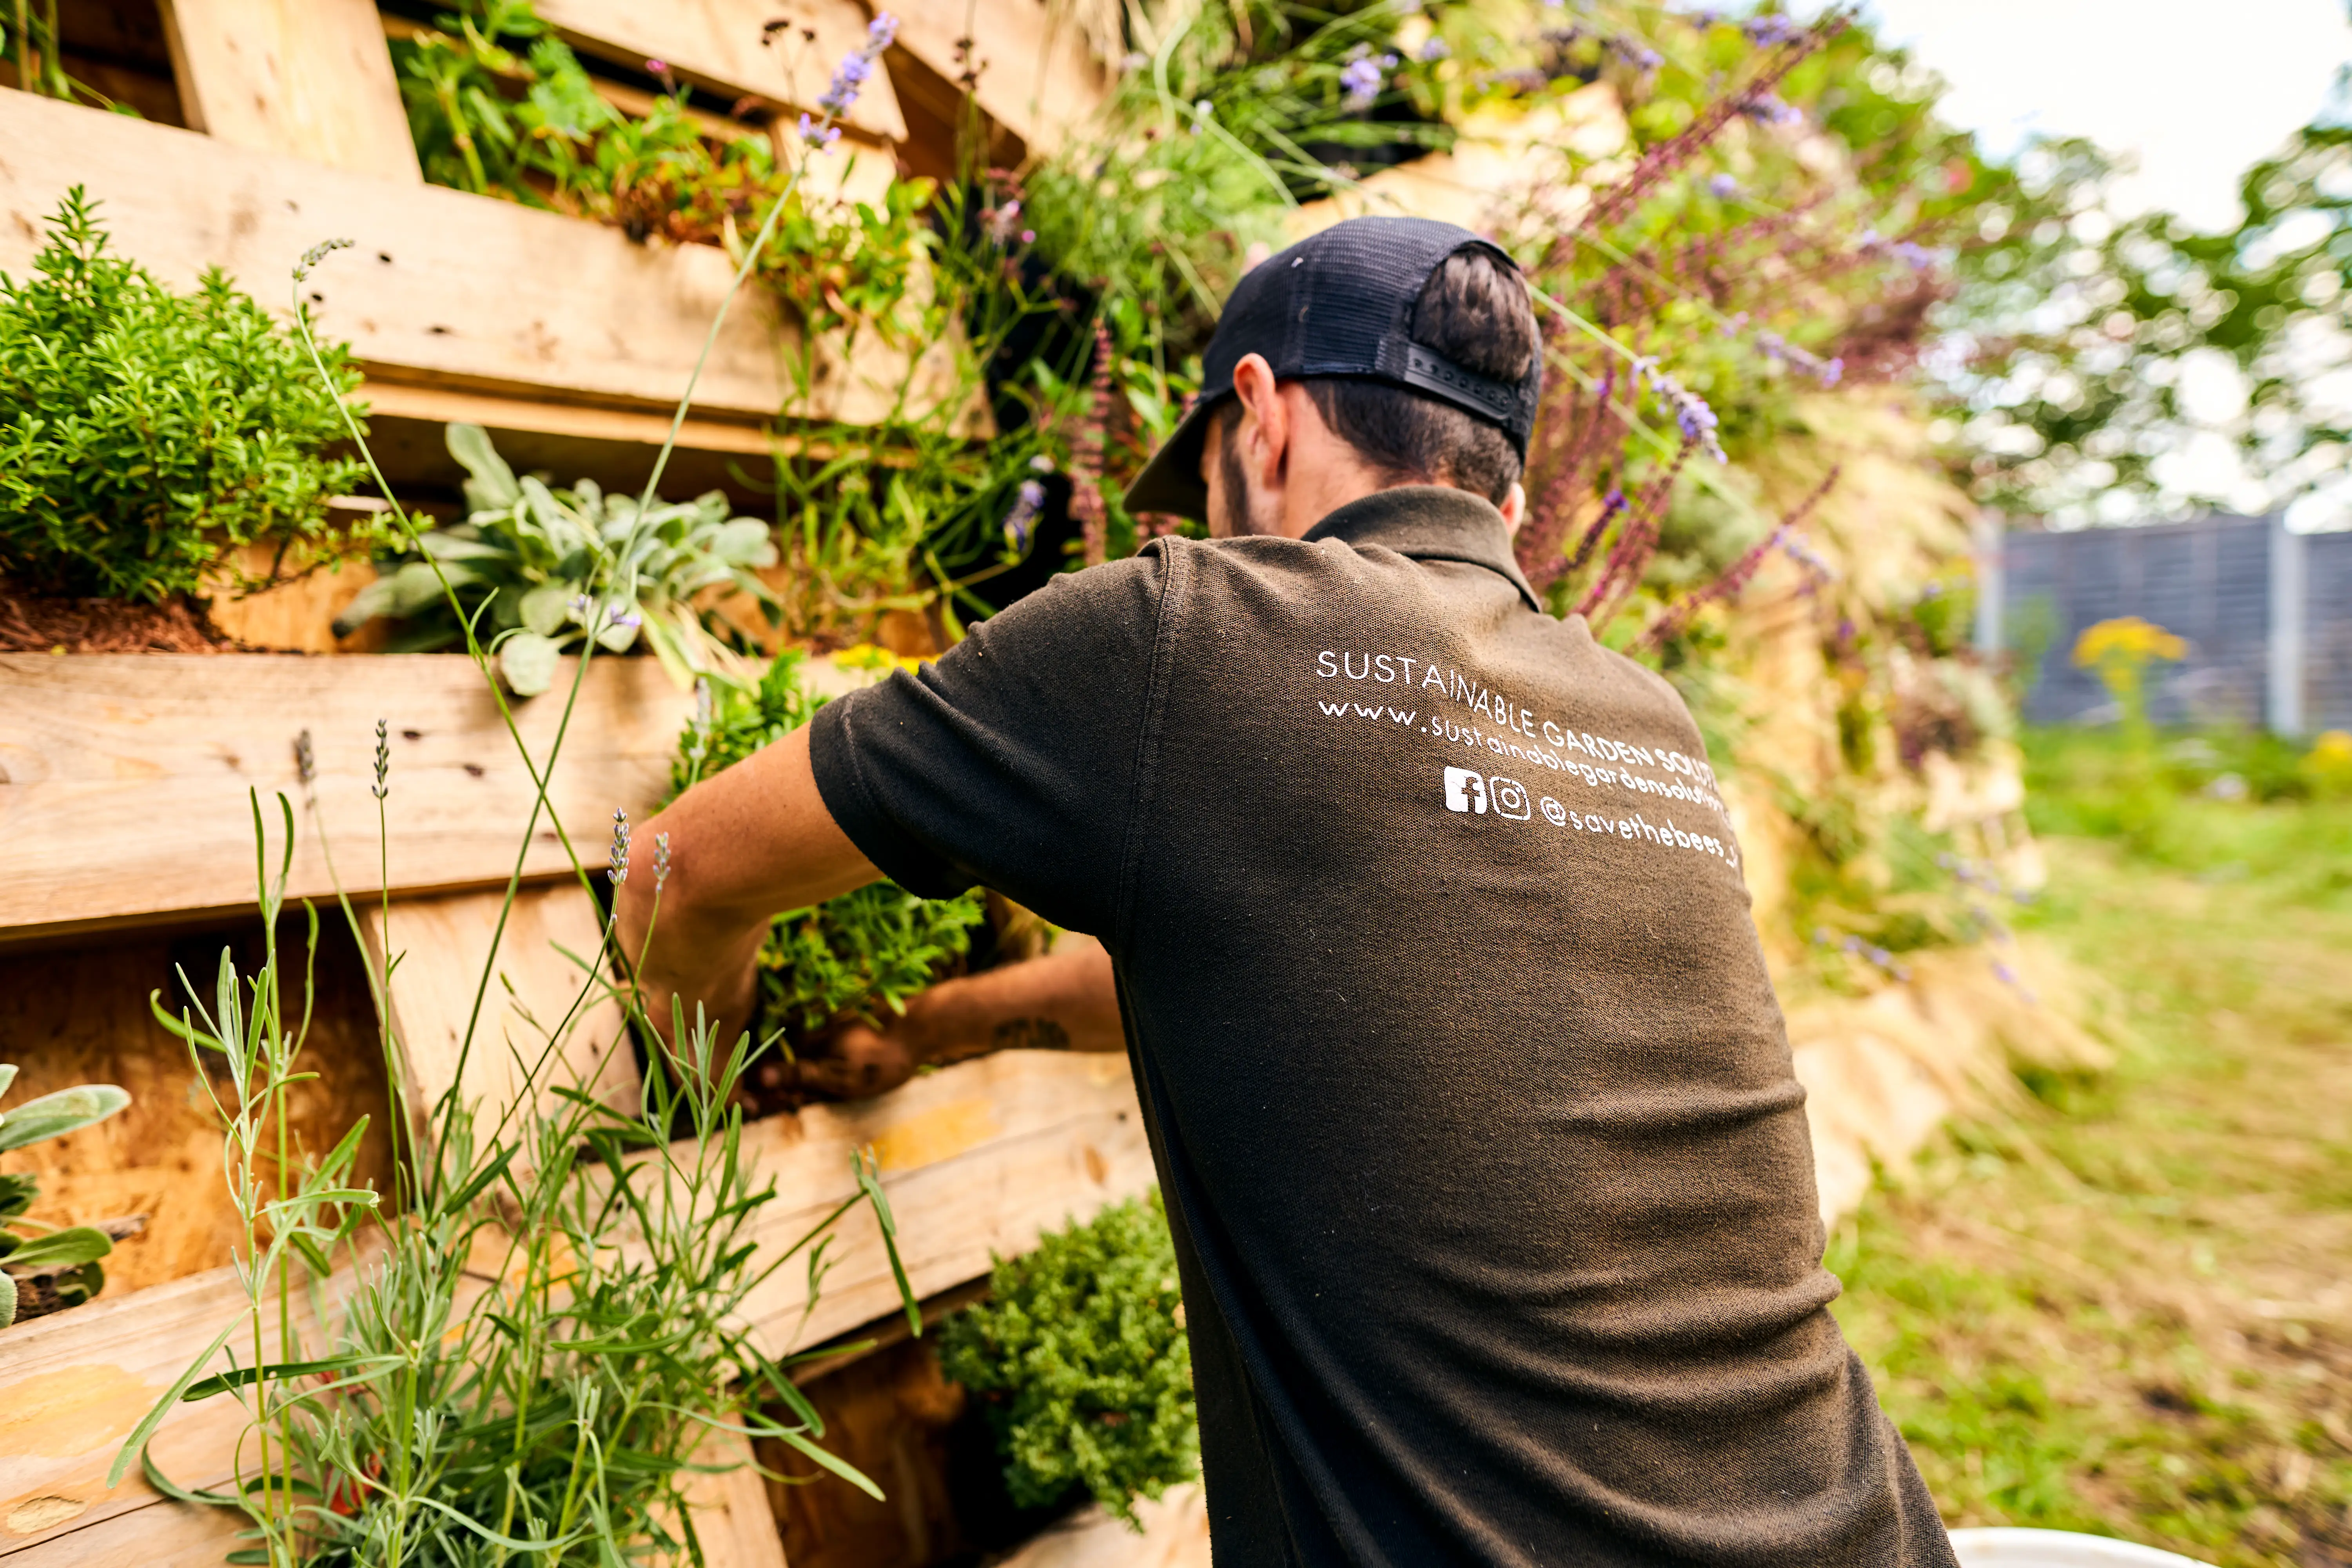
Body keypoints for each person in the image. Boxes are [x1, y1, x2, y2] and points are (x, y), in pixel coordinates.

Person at [618, 215, 1957, 1566]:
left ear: (1256, 418)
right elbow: (1308, 949)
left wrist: (699, 1078)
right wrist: (942, 1023)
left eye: (1201, 468)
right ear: (1505, 503)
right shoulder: (1643, 724)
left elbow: (675, 877)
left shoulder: (1183, 637)